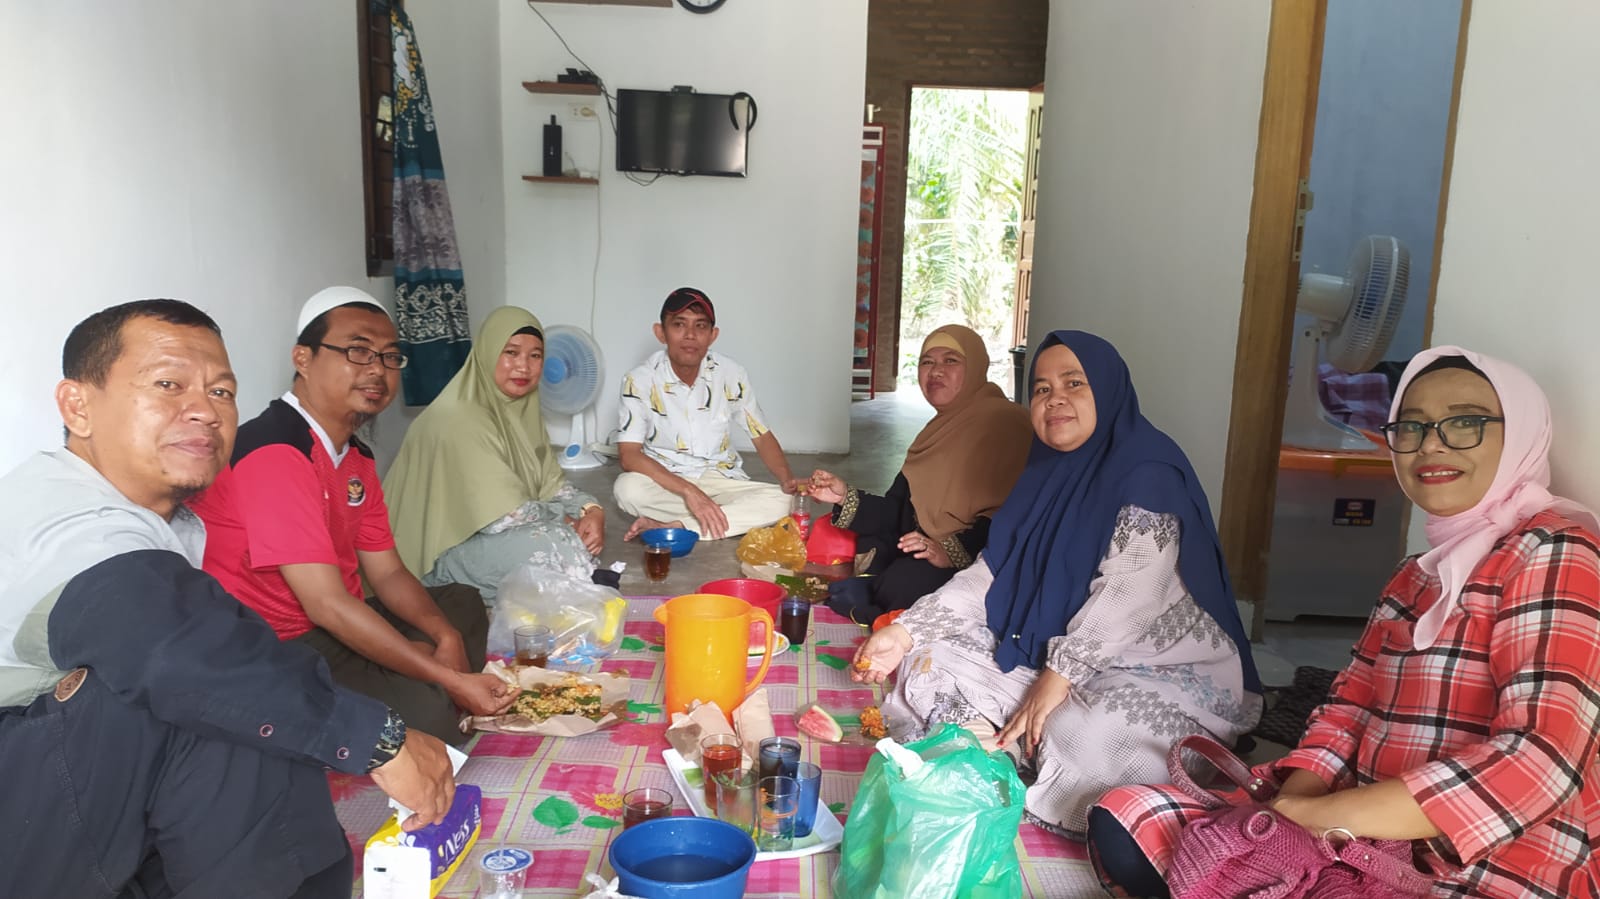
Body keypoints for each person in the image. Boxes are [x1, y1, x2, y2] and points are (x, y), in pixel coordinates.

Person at [1091, 347, 1600, 899]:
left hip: (1478, 865)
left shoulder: (1551, 553)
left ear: (1521, 433)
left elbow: (1542, 758)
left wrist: (1330, 816)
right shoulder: (1414, 575)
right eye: (1412, 426)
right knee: (1125, 818)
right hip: (1357, 838)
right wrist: (1289, 813)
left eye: (1464, 422)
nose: (1431, 444)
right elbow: (1348, 709)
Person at [0, 299, 457, 898]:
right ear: (77, 406)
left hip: (80, 782)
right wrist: (381, 741)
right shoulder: (72, 521)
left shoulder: (157, 512)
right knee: (234, 702)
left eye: (221, 392)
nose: (204, 411)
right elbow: (170, 647)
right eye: (168, 385)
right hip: (25, 821)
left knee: (256, 693)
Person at [850, 330, 1262, 838]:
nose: (1055, 399)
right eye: (1042, 389)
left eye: (1074, 383)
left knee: (1092, 735)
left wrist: (1058, 677)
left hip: (1151, 663)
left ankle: (1015, 751)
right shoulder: (1044, 471)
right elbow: (992, 573)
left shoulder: (1148, 471)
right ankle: (1004, 751)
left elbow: (1129, 596)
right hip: (1051, 642)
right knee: (928, 658)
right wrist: (905, 632)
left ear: (1107, 390)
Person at [192, 287, 517, 747]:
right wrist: (448, 677)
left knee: (459, 603)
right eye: (358, 351)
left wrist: (444, 637)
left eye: (389, 357)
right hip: (280, 644)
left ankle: (422, 677)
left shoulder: (354, 457)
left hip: (340, 617)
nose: (377, 370)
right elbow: (325, 605)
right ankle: (432, 690)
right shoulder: (276, 453)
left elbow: (387, 572)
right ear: (303, 358)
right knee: (427, 718)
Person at [810, 324, 1032, 622]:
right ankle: (882, 601)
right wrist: (843, 496)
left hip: (983, 559)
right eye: (927, 362)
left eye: (950, 360)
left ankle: (886, 604)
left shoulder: (1006, 423)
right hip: (924, 548)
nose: (936, 371)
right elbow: (898, 510)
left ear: (976, 367)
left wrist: (947, 551)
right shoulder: (937, 430)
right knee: (874, 546)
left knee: (902, 583)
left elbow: (1013, 516)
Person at [385, 306, 603, 603]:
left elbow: (551, 484)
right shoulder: (459, 417)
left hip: (479, 534)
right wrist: (566, 521)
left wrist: (590, 510)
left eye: (535, 355)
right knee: (556, 542)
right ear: (487, 353)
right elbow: (503, 516)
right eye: (511, 352)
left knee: (566, 539)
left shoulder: (519, 410)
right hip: (435, 555)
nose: (523, 366)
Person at [614, 286, 798, 541]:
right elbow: (629, 456)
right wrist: (690, 492)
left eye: (700, 326)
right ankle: (720, 517)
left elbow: (760, 434)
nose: (690, 335)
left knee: (785, 501)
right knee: (626, 489)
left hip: (721, 479)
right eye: (679, 324)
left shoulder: (731, 373)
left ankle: (679, 526)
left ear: (713, 335)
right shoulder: (639, 380)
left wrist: (788, 480)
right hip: (668, 482)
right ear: (661, 332)